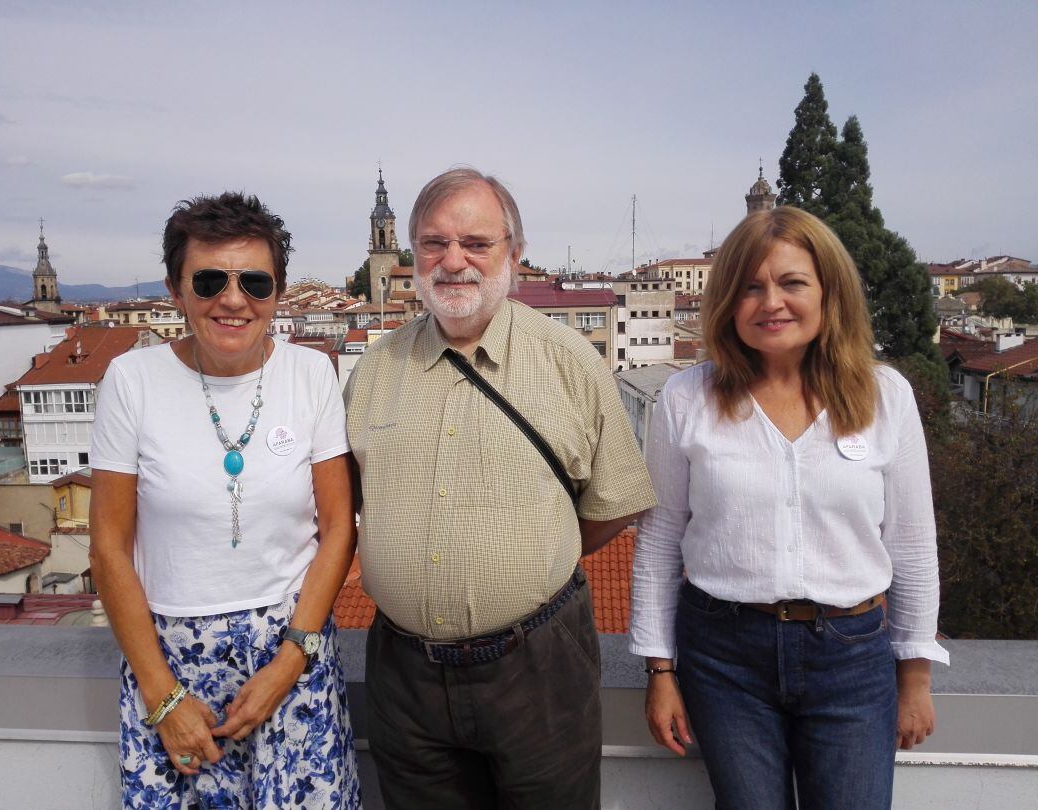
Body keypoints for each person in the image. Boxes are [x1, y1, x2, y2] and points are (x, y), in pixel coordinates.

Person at [345, 167, 657, 809]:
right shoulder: (375, 371)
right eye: (433, 243)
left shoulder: (570, 362)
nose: (453, 261)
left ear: (514, 254)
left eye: (476, 243)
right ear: (412, 253)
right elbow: (353, 505)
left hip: (538, 668)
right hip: (404, 677)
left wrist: (521, 569)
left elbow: (609, 510)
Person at [630, 206, 949, 810]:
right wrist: (660, 671)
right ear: (727, 301)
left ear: (829, 292)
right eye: (750, 287)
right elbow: (661, 538)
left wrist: (915, 676)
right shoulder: (686, 398)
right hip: (724, 659)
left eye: (791, 283)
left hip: (853, 659)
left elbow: (911, 540)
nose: (770, 301)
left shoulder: (885, 396)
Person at [90, 192, 360, 808]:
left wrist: (291, 662)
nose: (233, 299)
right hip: (170, 668)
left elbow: (338, 528)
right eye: (209, 280)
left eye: (255, 282)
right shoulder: (132, 383)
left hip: (291, 657)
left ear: (278, 293)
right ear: (175, 290)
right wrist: (163, 698)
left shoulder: (312, 374)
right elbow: (108, 549)